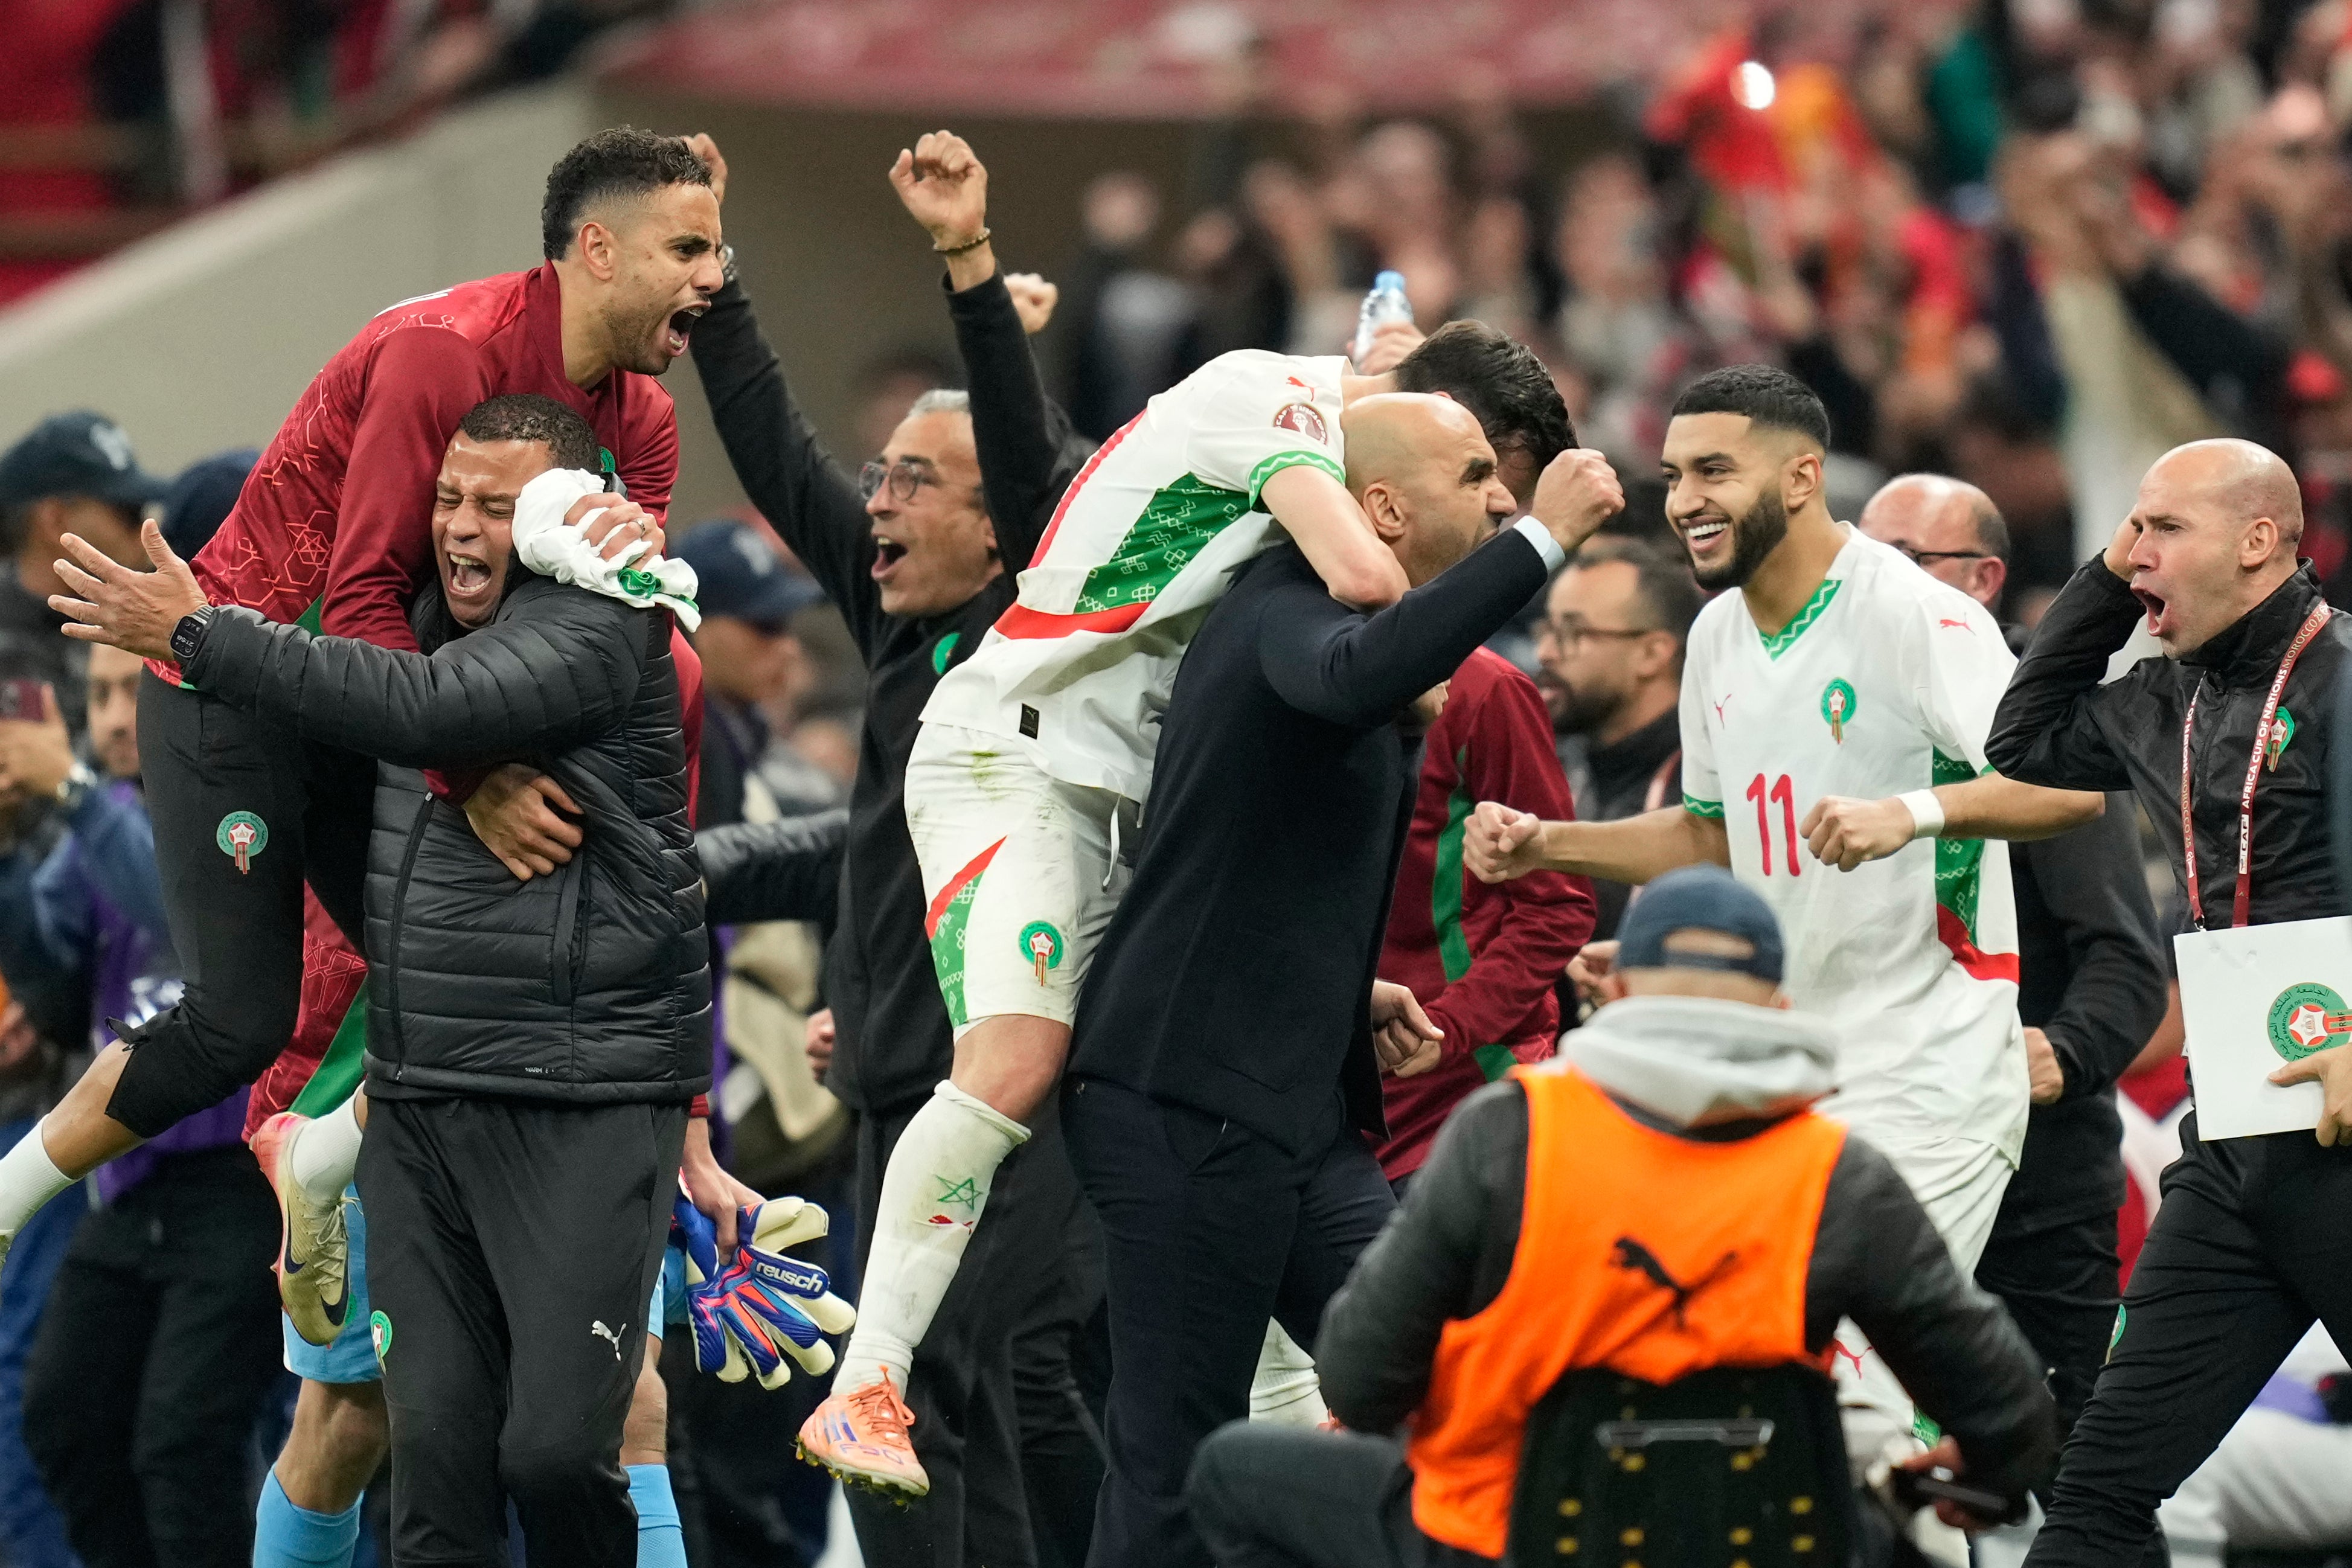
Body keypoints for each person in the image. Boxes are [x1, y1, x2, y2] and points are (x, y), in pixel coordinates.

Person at [808, 162, 1578, 1490]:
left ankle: (1296, 1408)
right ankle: (865, 1381)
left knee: (1187, 1080)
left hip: (1115, 796)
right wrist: (1515, 562)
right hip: (1013, 755)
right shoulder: (1265, 397)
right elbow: (1368, 583)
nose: (1490, 513)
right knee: (1018, 1062)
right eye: (1479, 480)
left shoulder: (1306, 453)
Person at [50, 393, 841, 1568]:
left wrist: (200, 632)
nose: (463, 526)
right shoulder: (390, 621)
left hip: (580, 1102)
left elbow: (442, 720)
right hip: (402, 1094)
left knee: (584, 1436)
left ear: (568, 515)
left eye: (498, 506)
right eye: (448, 499)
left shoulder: (604, 630)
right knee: (401, 1457)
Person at [0, 125, 723, 1271]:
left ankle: (321, 1167)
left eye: (718, 251)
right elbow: (361, 598)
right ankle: (9, 1197)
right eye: (688, 250)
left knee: (471, 977)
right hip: (233, 687)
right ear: (597, 250)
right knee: (237, 1021)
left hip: (395, 707)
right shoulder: (442, 355)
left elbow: (614, 652)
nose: (715, 276)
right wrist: (471, 779)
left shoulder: (645, 423)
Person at [1463, 365, 2101, 1505]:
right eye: (1674, 476)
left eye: (1714, 470)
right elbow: (1712, 836)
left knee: (1845, 1392)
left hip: (1929, 1071)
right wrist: (1548, 845)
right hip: (1790, 1076)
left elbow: (2068, 787)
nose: (1685, 500)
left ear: (1803, 476)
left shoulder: (1915, 614)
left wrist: (1910, 813)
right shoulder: (1715, 633)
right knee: (1786, 1396)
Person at [1065, 395, 1623, 1568]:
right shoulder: (1286, 601)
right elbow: (1355, 672)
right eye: (1475, 475)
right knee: (1173, 1466)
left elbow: (1264, 837)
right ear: (1381, 508)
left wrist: (1338, 989)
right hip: (1188, 1103)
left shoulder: (1330, 627)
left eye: (1507, 487)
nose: (1502, 497)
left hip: (1292, 1103)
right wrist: (1546, 541)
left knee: (1447, 1372)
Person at [1184, 866, 2059, 1568]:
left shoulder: (1507, 1134)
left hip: (1497, 1540)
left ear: (1619, 991)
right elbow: (2012, 1418)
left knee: (1228, 1470)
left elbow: (1358, 1379)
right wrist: (1974, 1464)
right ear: (1779, 1009)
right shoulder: (1837, 1175)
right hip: (1755, 1540)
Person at [685, 131, 1103, 1567]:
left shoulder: (1034, 641)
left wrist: (968, 265)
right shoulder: (895, 625)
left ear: (1003, 535)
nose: (880, 499)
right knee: (940, 1415)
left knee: (939, 1408)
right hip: (890, 1095)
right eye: (886, 473)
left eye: (920, 482)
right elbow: (774, 448)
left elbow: (1032, 463)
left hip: (1008, 1106)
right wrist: (715, 274)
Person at [1984, 437, 2352, 1568]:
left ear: (2258, 542)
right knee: (2091, 1499)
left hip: (2345, 1134)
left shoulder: (2344, 676)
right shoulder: (2161, 698)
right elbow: (2021, 741)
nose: (2137, 549)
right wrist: (2109, 577)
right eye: (2130, 528)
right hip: (2236, 1148)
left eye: (2166, 529)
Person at [1858, 473, 2167, 1468]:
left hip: (2034, 1178)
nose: (1874, 584)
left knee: (2068, 1474)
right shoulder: (1841, 720)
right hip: (1879, 1150)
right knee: (1880, 1460)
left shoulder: (2032, 731)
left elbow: (2125, 957)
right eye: (1861, 561)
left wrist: (2062, 1054)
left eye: (1905, 561)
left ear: (1983, 579)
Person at [1370, 639, 1595, 1193]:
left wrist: (1449, 1027)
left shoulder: (1484, 689)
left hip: (1459, 1094)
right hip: (1311, 1105)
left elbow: (1557, 905)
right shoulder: (1279, 668)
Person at [1533, 536, 1700, 940]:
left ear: (1652, 653)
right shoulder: (1559, 764)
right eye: (1548, 628)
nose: (1545, 653)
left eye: (1573, 632)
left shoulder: (1702, 785)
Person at [0, 412, 166, 737]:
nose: (146, 531)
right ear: (55, 521)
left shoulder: (142, 609)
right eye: (129, 514)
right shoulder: (9, 648)